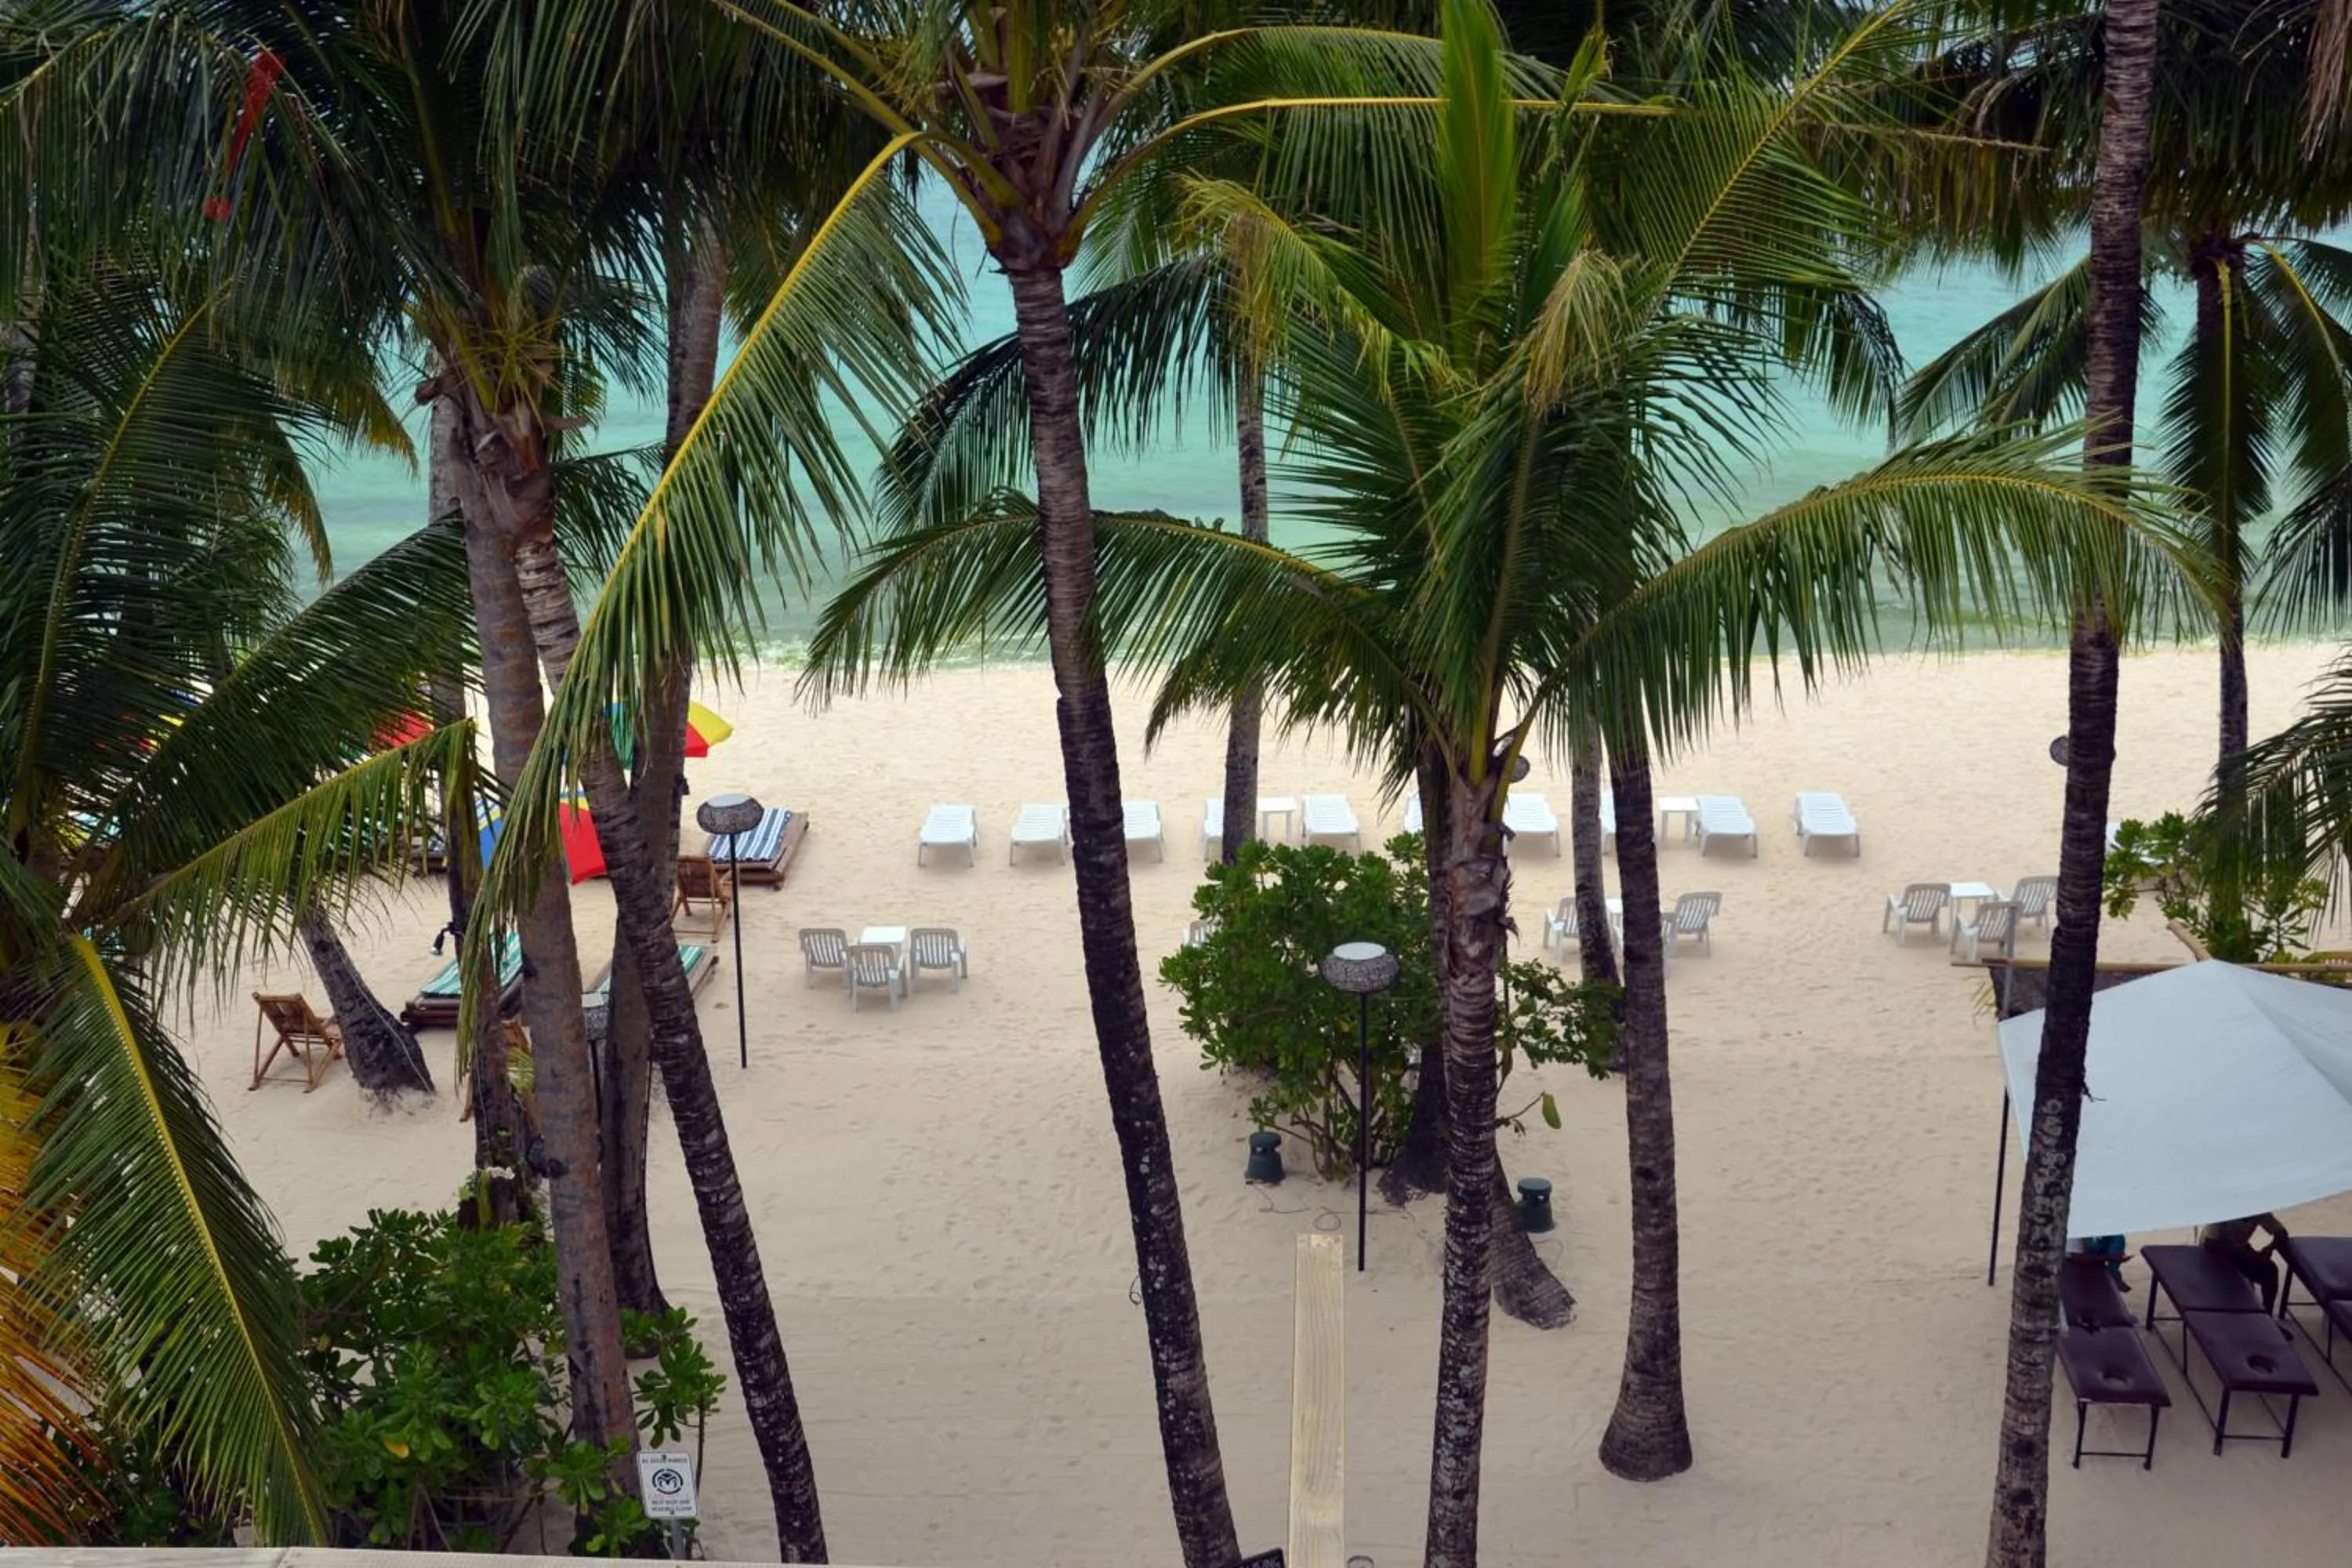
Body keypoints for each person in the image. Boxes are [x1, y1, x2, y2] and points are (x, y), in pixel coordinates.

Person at [2199, 1212, 2289, 1312]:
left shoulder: (2258, 1211)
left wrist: (2269, 1249)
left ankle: (2267, 1315)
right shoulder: (2222, 1211)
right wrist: (2244, 1254)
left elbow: (2282, 1233)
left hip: (2239, 1250)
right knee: (2233, 1281)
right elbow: (2210, 1243)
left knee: (2270, 1270)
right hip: (2214, 1254)